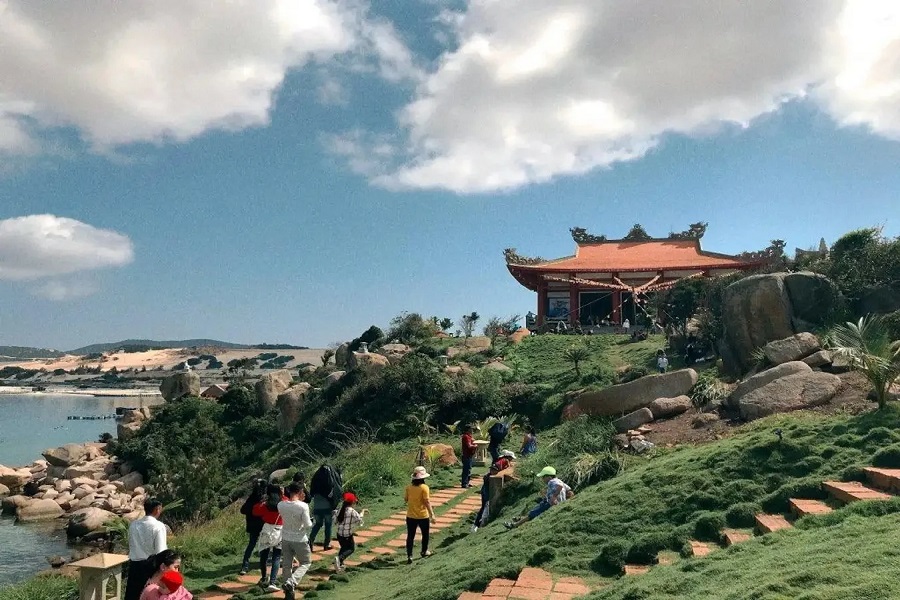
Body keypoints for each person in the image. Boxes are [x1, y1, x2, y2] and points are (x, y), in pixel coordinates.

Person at [125, 498, 167, 600]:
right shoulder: (158, 526)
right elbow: (161, 552)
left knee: (133, 595)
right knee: (150, 595)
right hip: (151, 566)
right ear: (157, 509)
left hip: (134, 566)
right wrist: (159, 574)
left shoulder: (133, 525)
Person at [504, 467, 572, 529]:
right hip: (551, 502)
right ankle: (521, 519)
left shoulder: (552, 481)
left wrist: (554, 496)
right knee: (534, 511)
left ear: (548, 476)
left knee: (533, 513)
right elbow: (569, 490)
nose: (542, 479)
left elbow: (559, 486)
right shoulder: (559, 481)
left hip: (550, 504)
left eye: (543, 477)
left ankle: (514, 525)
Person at [278, 482, 313, 600]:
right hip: (299, 538)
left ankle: (289, 592)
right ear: (299, 492)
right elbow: (308, 524)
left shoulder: (281, 505)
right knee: (306, 562)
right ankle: (292, 582)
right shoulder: (303, 506)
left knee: (287, 565)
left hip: (286, 537)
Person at [252, 484, 286, 593]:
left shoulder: (265, 504)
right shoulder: (284, 501)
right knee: (276, 556)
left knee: (264, 555)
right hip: (280, 530)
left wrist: (261, 500)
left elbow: (255, 512)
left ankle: (263, 577)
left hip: (267, 530)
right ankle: (272, 582)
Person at [404, 466, 436, 565]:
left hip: (411, 515)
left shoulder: (408, 488)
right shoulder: (424, 488)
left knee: (410, 536)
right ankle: (424, 551)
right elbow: (427, 502)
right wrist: (432, 515)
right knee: (425, 534)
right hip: (423, 515)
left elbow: (406, 499)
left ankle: (409, 555)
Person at [308, 464, 342, 551]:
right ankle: (326, 544)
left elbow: (311, 492)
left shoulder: (316, 481)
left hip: (317, 506)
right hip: (327, 507)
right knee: (328, 525)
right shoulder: (330, 482)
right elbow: (335, 492)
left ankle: (310, 541)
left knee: (318, 524)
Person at [239, 479, 267, 575]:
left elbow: (242, 510)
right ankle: (263, 564)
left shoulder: (251, 498)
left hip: (252, 525)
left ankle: (245, 565)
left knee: (251, 544)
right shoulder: (265, 499)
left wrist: (251, 513)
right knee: (264, 545)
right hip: (263, 525)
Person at [333, 492, 365, 572]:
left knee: (343, 548)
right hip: (347, 535)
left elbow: (335, 520)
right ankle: (339, 559)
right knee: (351, 549)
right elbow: (359, 521)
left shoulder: (341, 509)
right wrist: (362, 513)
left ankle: (339, 564)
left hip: (339, 534)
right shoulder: (352, 511)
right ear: (352, 502)